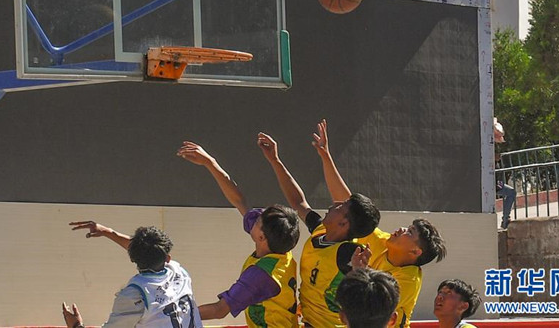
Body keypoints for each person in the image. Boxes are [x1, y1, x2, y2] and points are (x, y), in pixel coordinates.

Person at [311, 119, 446, 328]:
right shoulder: (382, 243)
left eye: (410, 232)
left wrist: (359, 272)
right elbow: (350, 207)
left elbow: (367, 308)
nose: (401, 229)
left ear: (415, 251)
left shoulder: (408, 280)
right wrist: (326, 156)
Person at [258, 132, 381, 327]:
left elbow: (366, 289)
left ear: (344, 224)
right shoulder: (320, 230)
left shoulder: (347, 252)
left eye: (341, 206)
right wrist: (275, 160)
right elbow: (298, 202)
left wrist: (360, 272)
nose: (335, 204)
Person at [177, 141, 301, 328]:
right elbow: (239, 200)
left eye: (258, 221)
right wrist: (210, 162)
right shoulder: (279, 245)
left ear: (261, 238)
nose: (254, 217)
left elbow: (219, 310)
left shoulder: (261, 275)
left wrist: (172, 316)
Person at [62, 223, 202, 328]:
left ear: (132, 258)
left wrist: (76, 325)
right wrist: (108, 232)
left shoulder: (135, 294)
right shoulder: (179, 271)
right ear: (167, 258)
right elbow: (149, 250)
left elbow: (143, 250)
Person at [494, 117, 516, 229]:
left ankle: (505, 219)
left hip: (495, 182)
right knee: (511, 192)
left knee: (511, 192)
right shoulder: (489, 146)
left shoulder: (492, 145)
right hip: (492, 183)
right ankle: (505, 219)